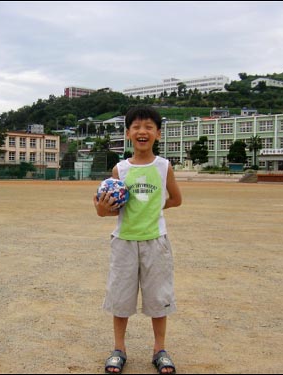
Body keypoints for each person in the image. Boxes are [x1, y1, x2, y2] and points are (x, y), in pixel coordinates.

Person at [93, 106, 182, 374]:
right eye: (136, 127)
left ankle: (160, 350)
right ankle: (119, 349)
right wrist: (101, 207)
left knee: (158, 298)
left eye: (149, 127)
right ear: (128, 133)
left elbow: (176, 199)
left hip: (156, 241)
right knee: (121, 298)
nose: (142, 131)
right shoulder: (119, 169)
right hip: (124, 242)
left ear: (158, 133)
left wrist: (153, 209)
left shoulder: (164, 166)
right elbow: (105, 210)